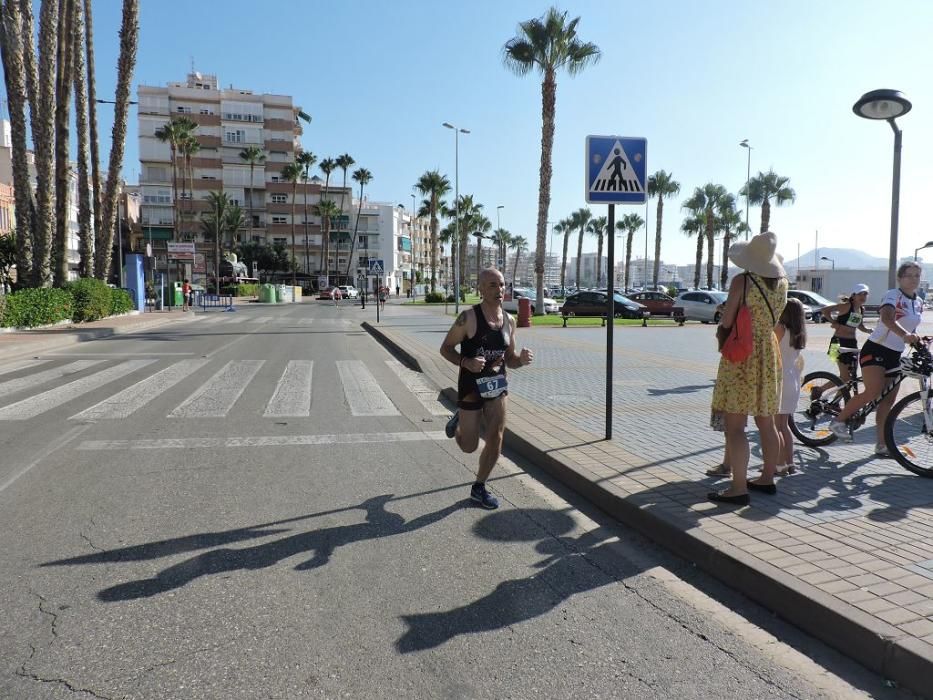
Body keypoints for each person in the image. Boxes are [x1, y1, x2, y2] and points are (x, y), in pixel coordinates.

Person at [440, 267, 533, 509]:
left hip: (497, 386)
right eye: (492, 285)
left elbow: (509, 358)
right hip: (471, 388)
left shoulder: (509, 321)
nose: (499, 290)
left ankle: (479, 487)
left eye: (502, 285)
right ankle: (460, 421)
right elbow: (446, 348)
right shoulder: (468, 317)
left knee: (496, 437)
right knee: (469, 446)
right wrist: (466, 362)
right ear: (480, 289)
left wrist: (520, 361)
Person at [708, 232, 788, 506]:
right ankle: (767, 478)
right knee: (767, 422)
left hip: (743, 353)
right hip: (768, 350)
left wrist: (722, 331)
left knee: (735, 426)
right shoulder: (782, 283)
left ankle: (738, 488)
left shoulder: (742, 281)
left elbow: (728, 318)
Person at [830, 262, 924, 454]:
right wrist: (905, 335)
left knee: (887, 401)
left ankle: (881, 445)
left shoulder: (918, 301)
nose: (913, 279)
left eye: (917, 275)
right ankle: (838, 421)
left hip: (895, 354)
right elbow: (887, 319)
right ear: (900, 278)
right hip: (876, 349)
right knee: (873, 392)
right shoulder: (893, 295)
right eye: (909, 275)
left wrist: (917, 341)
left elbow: (911, 328)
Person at [774, 298, 807, 476]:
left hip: (779, 379)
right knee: (784, 426)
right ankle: (790, 463)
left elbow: (770, 349)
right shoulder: (799, 332)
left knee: (775, 427)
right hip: (793, 379)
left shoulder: (780, 328)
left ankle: (778, 466)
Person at [820, 284, 873, 386]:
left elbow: (859, 325)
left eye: (865, 294)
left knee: (850, 378)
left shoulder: (862, 309)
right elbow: (825, 310)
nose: (863, 297)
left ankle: (837, 400)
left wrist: (867, 330)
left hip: (852, 344)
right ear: (853, 296)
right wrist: (834, 322)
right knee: (845, 378)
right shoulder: (846, 306)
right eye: (860, 294)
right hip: (838, 343)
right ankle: (819, 390)